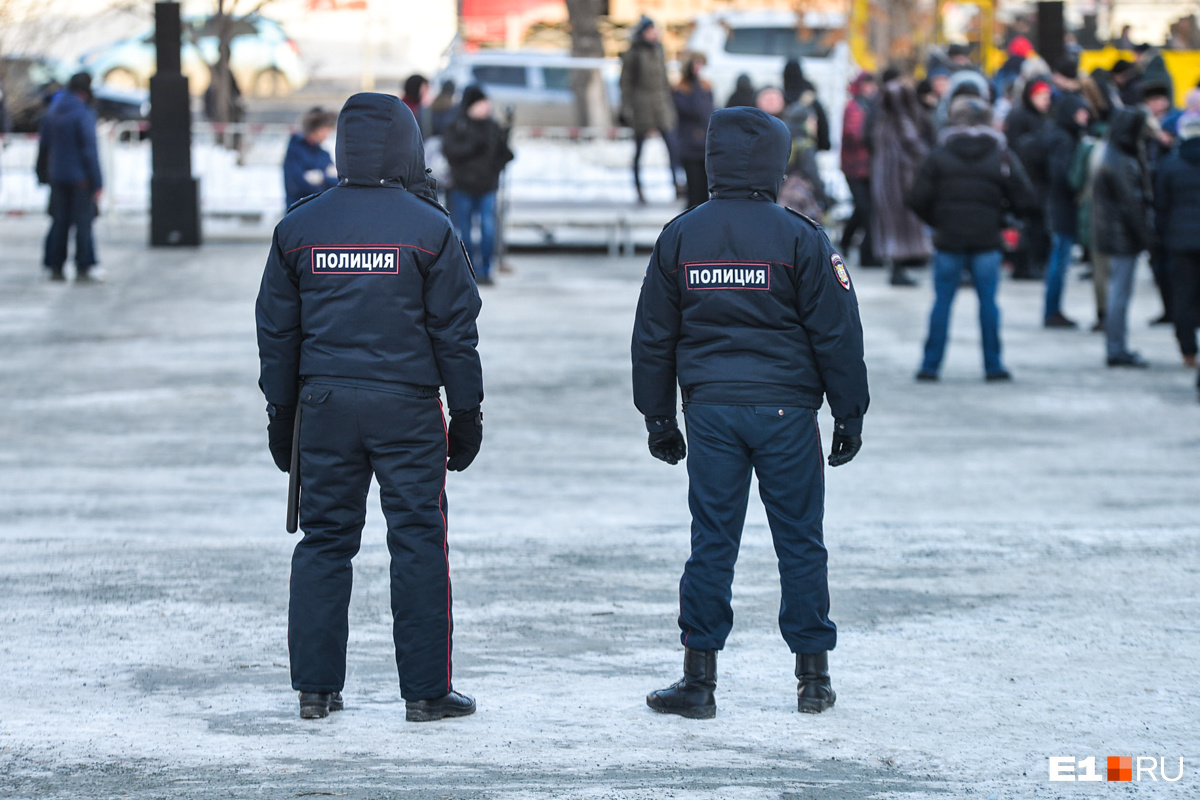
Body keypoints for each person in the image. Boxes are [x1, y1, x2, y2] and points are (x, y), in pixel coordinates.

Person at [631, 107, 869, 719]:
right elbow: (838, 333)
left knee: (712, 541)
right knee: (800, 540)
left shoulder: (681, 236)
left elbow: (653, 337)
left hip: (712, 412)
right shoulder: (800, 236)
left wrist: (659, 418)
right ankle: (813, 680)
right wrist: (849, 413)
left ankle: (699, 681)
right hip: (789, 413)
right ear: (777, 159)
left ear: (712, 159)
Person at [255, 92, 483, 723]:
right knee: (416, 540)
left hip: (322, 404)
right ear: (409, 146)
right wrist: (467, 412)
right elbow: (456, 332)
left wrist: (281, 414)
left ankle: (316, 691)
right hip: (407, 407)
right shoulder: (430, 228)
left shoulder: (299, 226)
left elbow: (276, 331)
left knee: (325, 541)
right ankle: (426, 692)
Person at [908, 96, 1037, 382]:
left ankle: (930, 366)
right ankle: (994, 366)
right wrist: (1003, 219)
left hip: (948, 239)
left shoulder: (939, 154)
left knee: (942, 302)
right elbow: (1025, 197)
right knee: (989, 304)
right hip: (987, 239)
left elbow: (916, 198)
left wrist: (937, 220)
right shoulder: (1001, 154)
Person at [1093, 108, 1154, 367]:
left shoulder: (1111, 153)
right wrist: (1147, 238)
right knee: (1120, 293)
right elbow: (1131, 204)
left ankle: (1116, 346)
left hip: (1113, 232)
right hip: (1122, 236)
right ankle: (1116, 348)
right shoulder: (1121, 159)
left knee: (1118, 292)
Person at [441, 85, 514, 286]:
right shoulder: (457, 124)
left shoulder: (492, 126)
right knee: (463, 230)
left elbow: (503, 153)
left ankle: (485, 269)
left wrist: (498, 162)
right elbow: (450, 151)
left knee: (488, 229)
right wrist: (474, 144)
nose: (486, 107)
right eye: (481, 103)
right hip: (462, 186)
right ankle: (468, 269)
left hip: (487, 186)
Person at [36, 72, 102, 283]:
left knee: (59, 222)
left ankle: (55, 266)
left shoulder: (53, 111)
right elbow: (89, 151)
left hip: (57, 176)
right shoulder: (83, 113)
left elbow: (43, 147)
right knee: (83, 224)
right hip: (81, 180)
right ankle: (84, 266)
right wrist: (98, 182)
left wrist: (42, 173)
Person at [871, 75, 934, 287]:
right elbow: (915, 148)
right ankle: (899, 269)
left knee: (891, 226)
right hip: (900, 182)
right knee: (900, 225)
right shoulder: (903, 121)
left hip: (884, 183)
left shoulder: (883, 121)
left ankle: (897, 267)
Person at [1155, 111, 1200, 379]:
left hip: (1180, 242)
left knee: (1183, 296)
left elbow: (1161, 206)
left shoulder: (1171, 164)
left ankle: (1188, 351)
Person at [1042, 94, 1091, 327]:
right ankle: (1052, 311)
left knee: (1060, 260)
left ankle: (1053, 310)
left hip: (1063, 206)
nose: (1085, 115)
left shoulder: (1066, 136)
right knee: (1059, 261)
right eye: (1081, 111)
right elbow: (1063, 174)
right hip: (1063, 208)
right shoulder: (1064, 139)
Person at [620, 15, 678, 203]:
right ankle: (638, 188)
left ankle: (677, 185)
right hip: (641, 108)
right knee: (639, 151)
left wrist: (670, 104)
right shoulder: (633, 53)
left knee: (672, 147)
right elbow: (626, 84)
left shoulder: (660, 50)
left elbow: (664, 81)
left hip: (661, 106)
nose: (654, 34)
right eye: (651, 31)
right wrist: (626, 109)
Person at [1006, 78, 1053, 280]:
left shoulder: (1045, 118)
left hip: (1040, 181)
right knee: (1026, 226)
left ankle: (1035, 263)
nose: (1045, 101)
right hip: (1025, 180)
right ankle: (1024, 265)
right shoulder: (1018, 116)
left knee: (1038, 226)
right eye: (1040, 96)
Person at [840, 72, 879, 266]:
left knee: (861, 208)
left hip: (866, 167)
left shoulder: (868, 106)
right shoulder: (855, 107)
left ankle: (845, 242)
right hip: (854, 166)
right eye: (867, 85)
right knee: (865, 209)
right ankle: (867, 253)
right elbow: (854, 134)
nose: (871, 89)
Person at [671, 54, 714, 210]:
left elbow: (708, 112)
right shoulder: (680, 89)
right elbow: (695, 110)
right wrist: (695, 83)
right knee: (694, 192)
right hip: (689, 145)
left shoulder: (706, 86)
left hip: (704, 145)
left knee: (705, 192)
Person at [283, 107, 338, 209]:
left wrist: (321, 178)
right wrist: (325, 179)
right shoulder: (295, 150)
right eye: (325, 129)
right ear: (316, 128)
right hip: (297, 210)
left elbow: (336, 183)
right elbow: (296, 184)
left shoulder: (323, 153)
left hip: (319, 210)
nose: (327, 134)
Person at [782, 58, 830, 151]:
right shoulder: (811, 99)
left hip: (784, 150)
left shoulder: (781, 100)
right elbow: (823, 128)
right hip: (808, 149)